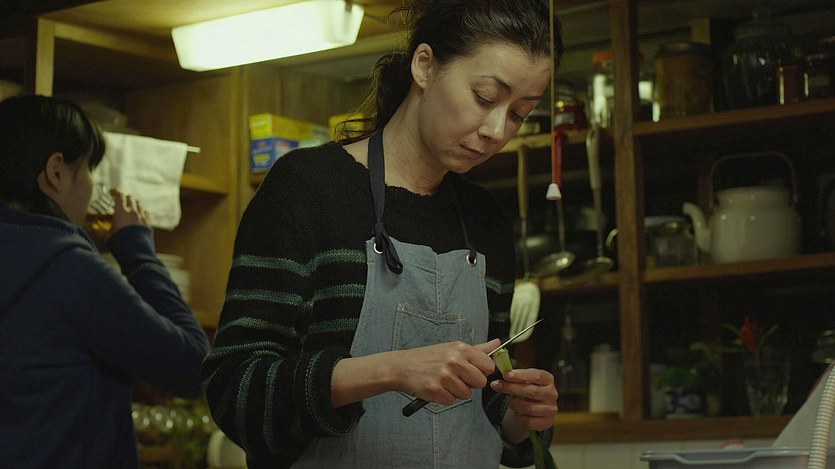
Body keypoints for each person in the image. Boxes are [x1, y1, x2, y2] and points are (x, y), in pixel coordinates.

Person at [201, 0, 563, 467]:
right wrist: (389, 370)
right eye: (486, 97)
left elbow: (481, 404)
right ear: (425, 66)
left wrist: (519, 416)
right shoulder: (308, 190)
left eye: (519, 114)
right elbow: (235, 391)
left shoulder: (486, 222)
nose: (497, 130)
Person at [0, 95, 210, 467]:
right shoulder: (67, 268)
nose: (92, 187)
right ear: (56, 172)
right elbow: (195, 368)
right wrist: (139, 254)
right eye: (88, 170)